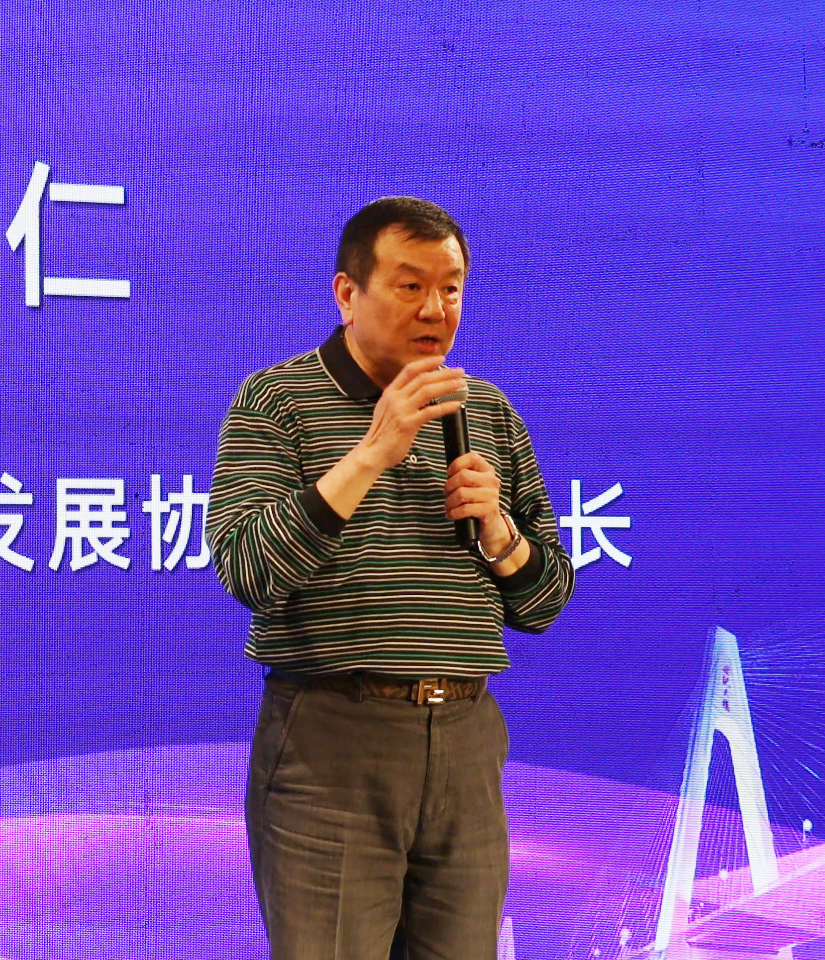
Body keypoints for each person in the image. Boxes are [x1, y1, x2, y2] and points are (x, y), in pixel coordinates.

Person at [207, 196, 576, 959]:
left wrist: (499, 534)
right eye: (410, 286)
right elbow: (246, 569)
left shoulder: (487, 412)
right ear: (347, 294)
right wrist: (371, 454)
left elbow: (544, 601)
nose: (435, 310)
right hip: (332, 741)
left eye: (450, 288)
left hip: (467, 742)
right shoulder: (276, 401)